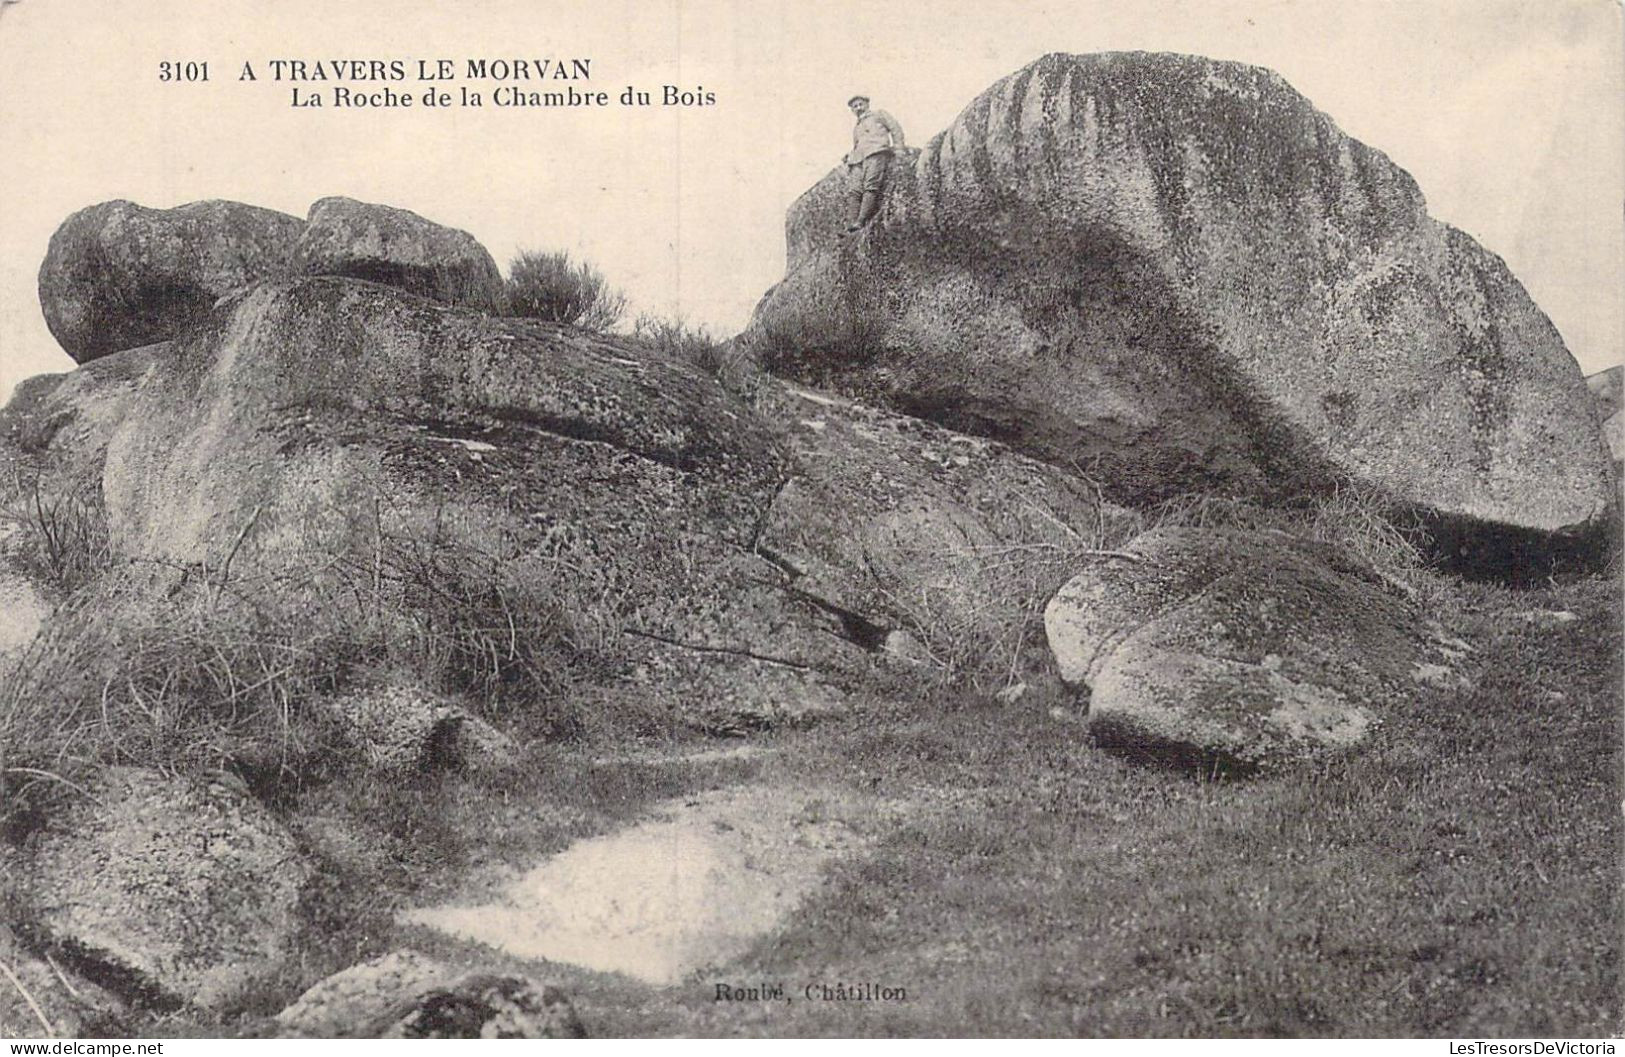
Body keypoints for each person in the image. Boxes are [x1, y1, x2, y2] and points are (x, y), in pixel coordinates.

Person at [843, 95, 905, 234]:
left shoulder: (879, 114)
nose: (858, 108)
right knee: (854, 191)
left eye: (860, 104)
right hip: (858, 159)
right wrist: (850, 156)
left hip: (876, 152)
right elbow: (858, 145)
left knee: (870, 186)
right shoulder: (857, 127)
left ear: (867, 104)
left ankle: (861, 221)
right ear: (852, 110)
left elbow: (895, 129)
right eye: (855, 106)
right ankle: (851, 224)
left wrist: (899, 149)